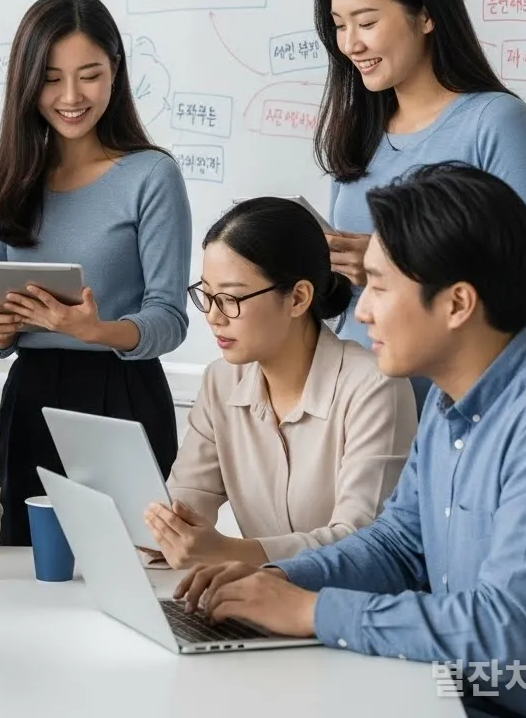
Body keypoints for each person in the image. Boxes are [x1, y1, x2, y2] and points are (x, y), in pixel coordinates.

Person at [175, 164, 526, 718]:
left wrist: (311, 612)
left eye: (379, 286)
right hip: (446, 695)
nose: (361, 310)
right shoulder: (450, 401)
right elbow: (398, 545)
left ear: (456, 304)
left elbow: (507, 632)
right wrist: (274, 581)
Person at [0, 0, 191, 546]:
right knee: (29, 565)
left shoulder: (151, 176)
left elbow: (170, 318)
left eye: (89, 75)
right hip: (31, 398)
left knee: (137, 560)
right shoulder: (4, 182)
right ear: (26, 82)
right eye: (51, 78)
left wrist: (98, 331)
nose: (71, 97)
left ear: (115, 71)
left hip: (124, 396)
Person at [312, 0, 526, 405]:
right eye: (339, 25)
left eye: (366, 22)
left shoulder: (496, 123)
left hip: (464, 406)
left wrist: (389, 262)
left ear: (425, 15)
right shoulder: (358, 131)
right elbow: (352, 298)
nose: (350, 44)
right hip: (363, 405)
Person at [144, 197, 416, 569]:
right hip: (257, 595)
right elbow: (187, 499)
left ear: (298, 298)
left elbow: (359, 540)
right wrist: (161, 529)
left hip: (341, 600)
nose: (213, 316)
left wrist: (229, 552)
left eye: (230, 298)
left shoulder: (375, 387)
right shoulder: (221, 381)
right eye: (206, 295)